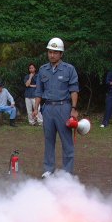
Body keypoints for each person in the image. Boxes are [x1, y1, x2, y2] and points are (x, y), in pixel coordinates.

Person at [33, 37, 79, 177]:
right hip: (47, 108)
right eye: (50, 52)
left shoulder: (69, 69)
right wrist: (35, 108)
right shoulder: (43, 70)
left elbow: (74, 90)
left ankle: (67, 172)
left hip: (63, 107)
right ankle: (48, 169)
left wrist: (74, 109)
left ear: (61, 54)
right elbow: (38, 91)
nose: (52, 55)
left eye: (55, 52)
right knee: (49, 140)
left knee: (66, 141)